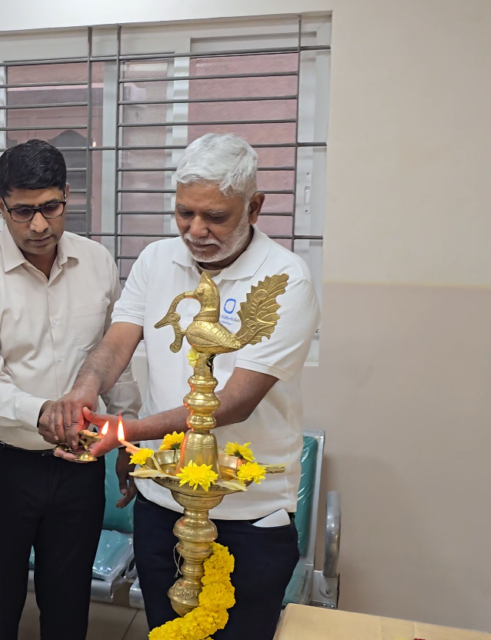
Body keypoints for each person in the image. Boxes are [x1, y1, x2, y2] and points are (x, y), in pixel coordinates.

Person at [57, 133, 321, 640]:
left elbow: (234, 401)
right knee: (166, 630)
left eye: (215, 217)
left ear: (255, 207)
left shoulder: (286, 279)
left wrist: (127, 430)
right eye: (184, 214)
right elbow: (118, 341)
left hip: (247, 510)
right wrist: (84, 390)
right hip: (164, 500)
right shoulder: (158, 261)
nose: (196, 231)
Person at [0, 139, 141, 640]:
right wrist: (48, 412)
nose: (39, 225)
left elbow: (116, 355)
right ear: (1, 206)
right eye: (23, 211)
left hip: (79, 464)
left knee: (69, 601)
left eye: (50, 207)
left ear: (67, 196)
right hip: (2, 465)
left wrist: (127, 437)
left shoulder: (97, 263)